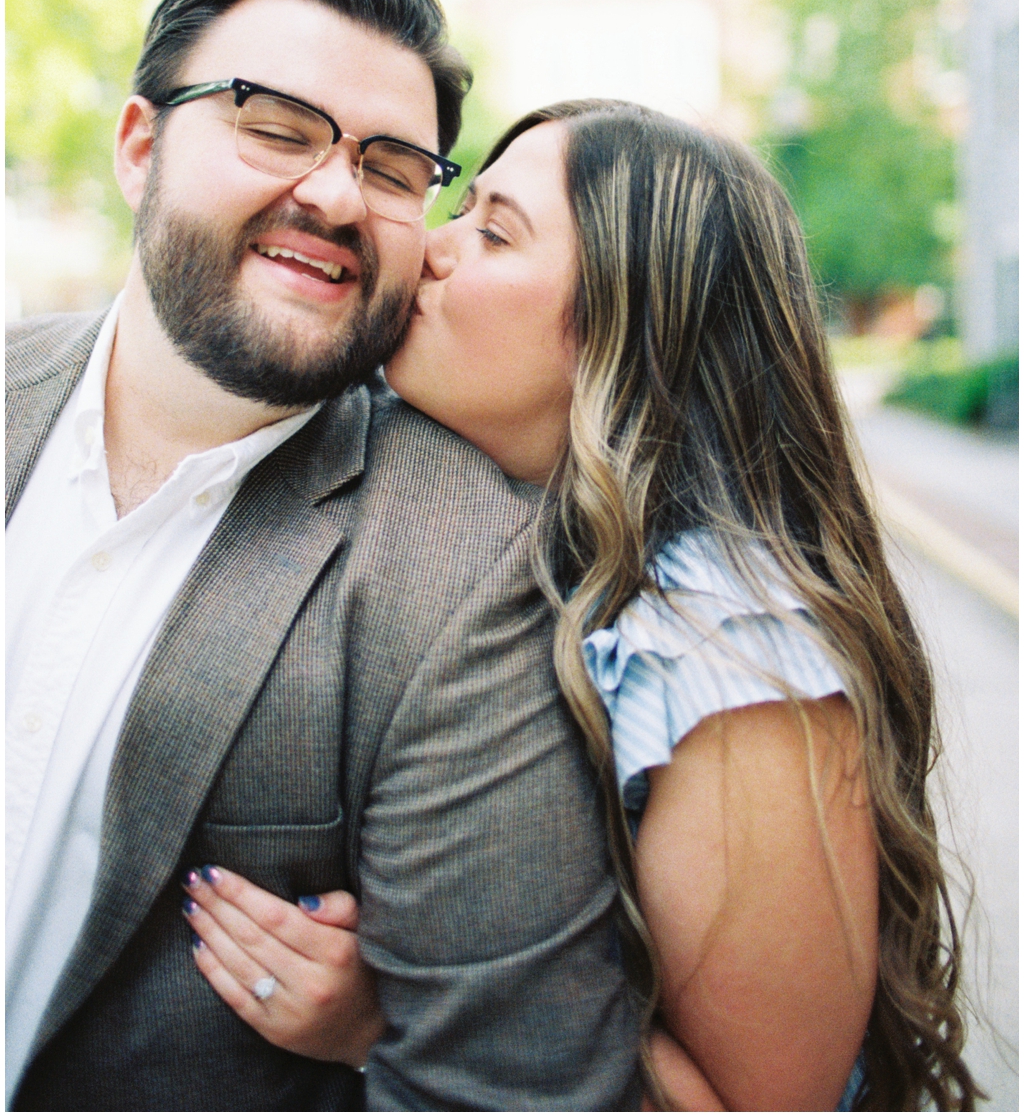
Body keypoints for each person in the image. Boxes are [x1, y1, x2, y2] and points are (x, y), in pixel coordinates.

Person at [187, 100, 981, 1111]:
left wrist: (400, 1015)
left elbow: (763, 1104)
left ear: (631, 326)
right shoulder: (502, 537)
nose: (428, 250)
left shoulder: (729, 651)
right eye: (458, 209)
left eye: (494, 231)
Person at [5, 0, 641, 1111]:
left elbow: (507, 1088)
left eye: (393, 167)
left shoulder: (469, 570)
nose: (338, 196)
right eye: (278, 128)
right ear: (139, 146)